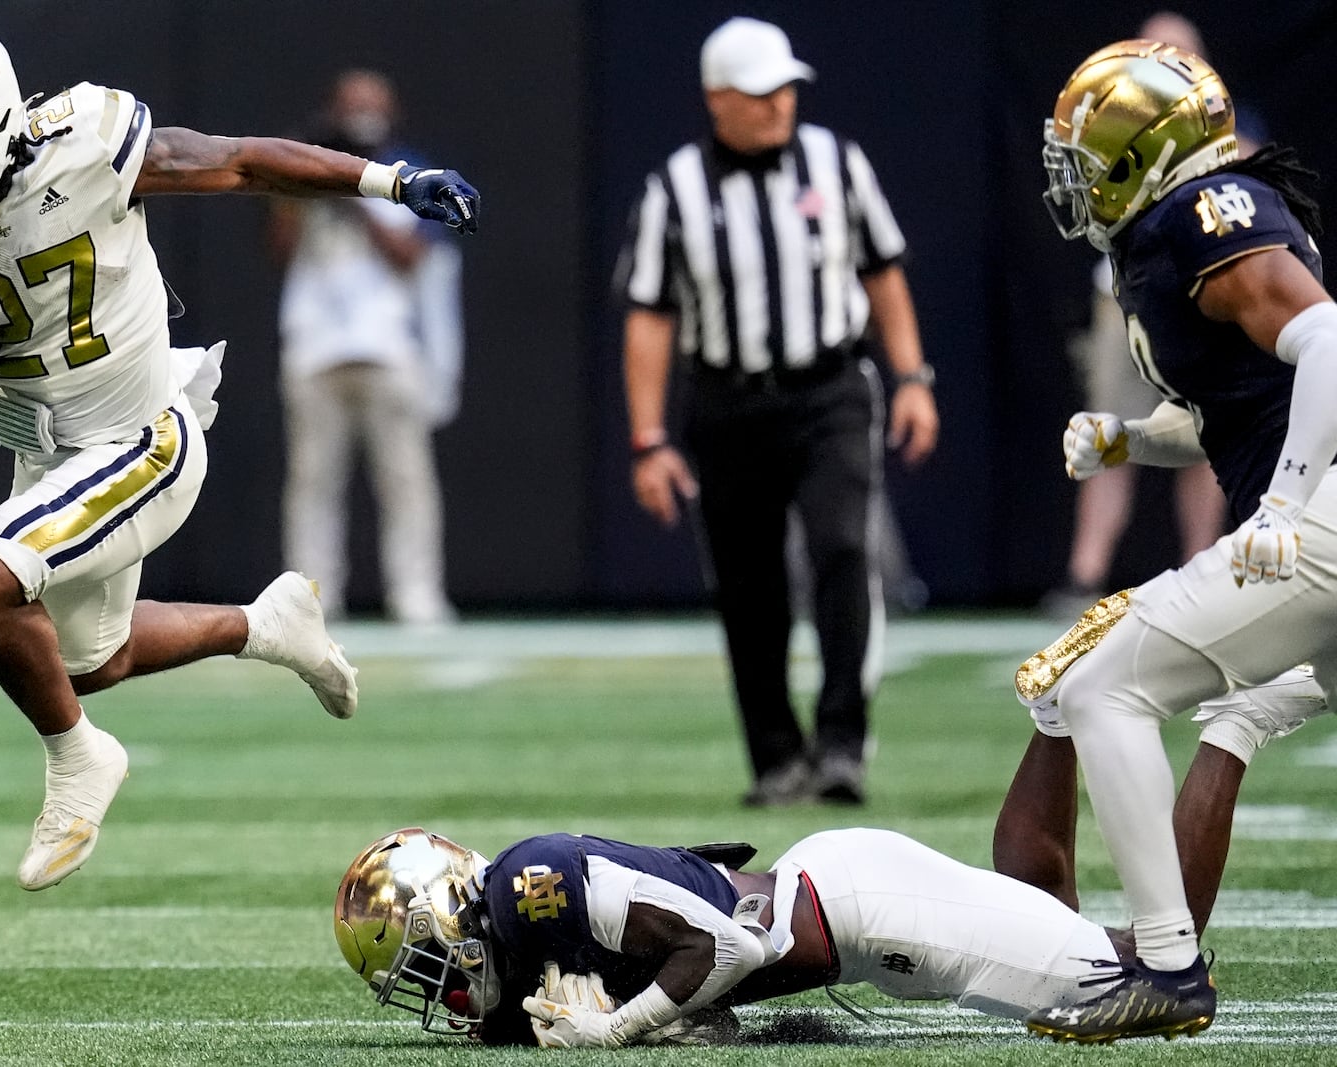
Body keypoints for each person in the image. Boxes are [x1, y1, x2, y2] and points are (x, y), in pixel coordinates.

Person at [0, 17, 478, 891]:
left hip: (142, 439)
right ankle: (267, 626)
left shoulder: (85, 144)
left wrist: (389, 177)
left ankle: (78, 763)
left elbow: (241, 160)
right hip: (49, 459)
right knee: (86, 664)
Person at [330, 657, 1326, 1048]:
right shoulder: (518, 945)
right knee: (1043, 916)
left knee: (1150, 969)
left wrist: (618, 1026)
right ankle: (1054, 711)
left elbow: (719, 946)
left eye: (420, 956)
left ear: (448, 899)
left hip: (854, 905)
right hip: (845, 908)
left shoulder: (528, 886)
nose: (437, 988)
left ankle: (1238, 721)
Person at [1033, 37, 1334, 1041]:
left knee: (1098, 688)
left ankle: (1165, 962)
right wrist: (1129, 438)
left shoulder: (1208, 212)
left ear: (1142, 152)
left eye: (1085, 160)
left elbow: (1328, 340)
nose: (1069, 183)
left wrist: (1288, 505)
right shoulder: (1176, 228)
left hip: (1324, 512)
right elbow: (1240, 407)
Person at [617, 17, 940, 808]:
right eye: (761, 92)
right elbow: (649, 317)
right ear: (718, 99)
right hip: (727, 402)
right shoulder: (676, 189)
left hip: (829, 390)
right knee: (747, 584)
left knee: (840, 549)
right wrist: (648, 438)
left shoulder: (837, 163)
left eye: (786, 88)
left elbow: (884, 272)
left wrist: (912, 377)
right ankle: (774, 755)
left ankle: (841, 745)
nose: (779, 104)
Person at [1041, 11, 1264, 618]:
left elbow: (1248, 190)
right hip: (1127, 296)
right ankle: (1086, 571)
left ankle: (1205, 562)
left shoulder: (1228, 135)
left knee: (1214, 432)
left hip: (1202, 299)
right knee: (1109, 431)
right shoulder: (1114, 123)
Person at [268, 70, 462, 625]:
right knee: (312, 483)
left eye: (371, 106)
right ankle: (311, 603)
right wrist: (304, 182)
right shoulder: (310, 171)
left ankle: (417, 596)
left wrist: (354, 196)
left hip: (387, 346)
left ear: (392, 113)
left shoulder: (414, 174)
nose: (361, 117)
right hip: (314, 348)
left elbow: (411, 255)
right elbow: (279, 249)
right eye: (351, 107)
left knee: (406, 481)